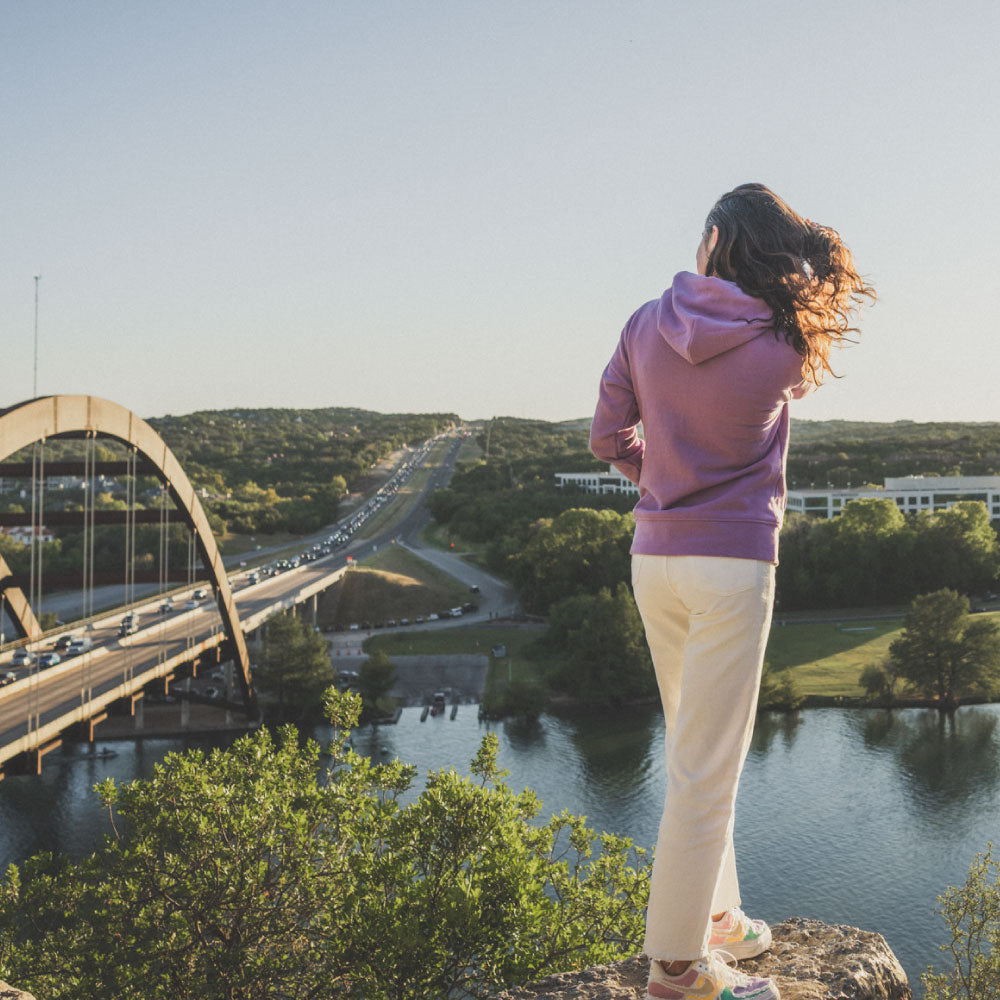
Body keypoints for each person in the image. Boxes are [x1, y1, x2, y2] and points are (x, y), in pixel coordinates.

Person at [590, 184, 874, 1000]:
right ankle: (677, 970)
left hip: (654, 558)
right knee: (708, 767)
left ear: (711, 240)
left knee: (692, 746)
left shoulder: (645, 322)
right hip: (733, 567)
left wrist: (663, 481)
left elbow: (607, 436)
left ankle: (718, 921)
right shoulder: (786, 342)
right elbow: (800, 362)